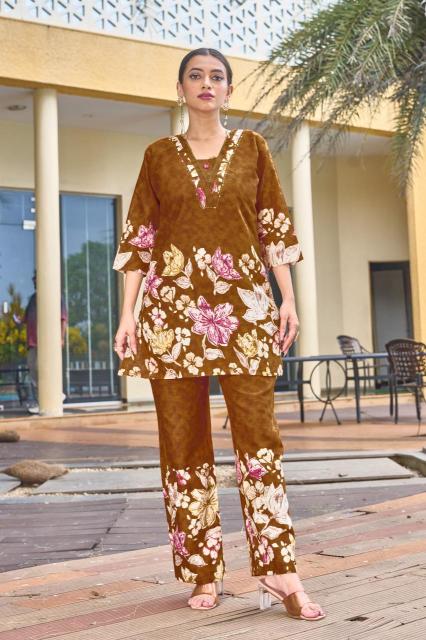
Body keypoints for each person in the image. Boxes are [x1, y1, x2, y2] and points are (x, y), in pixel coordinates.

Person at [112, 48, 325, 620]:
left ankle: (278, 568)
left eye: (217, 76)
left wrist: (287, 298)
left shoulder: (253, 148)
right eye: (196, 76)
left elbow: (273, 225)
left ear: (229, 90)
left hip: (247, 311)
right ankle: (203, 568)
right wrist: (128, 313)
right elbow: (140, 238)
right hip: (171, 317)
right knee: (183, 443)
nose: (207, 83)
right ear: (180, 89)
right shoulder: (158, 156)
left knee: (260, 437)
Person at [14, 270, 68, 414]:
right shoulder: (33, 299)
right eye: (33, 278)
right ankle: (43, 401)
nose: (33, 280)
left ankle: (54, 396)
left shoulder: (55, 296)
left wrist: (61, 338)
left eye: (35, 278)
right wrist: (17, 320)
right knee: (34, 371)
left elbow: (63, 319)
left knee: (46, 370)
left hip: (48, 342)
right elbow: (25, 319)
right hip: (32, 342)